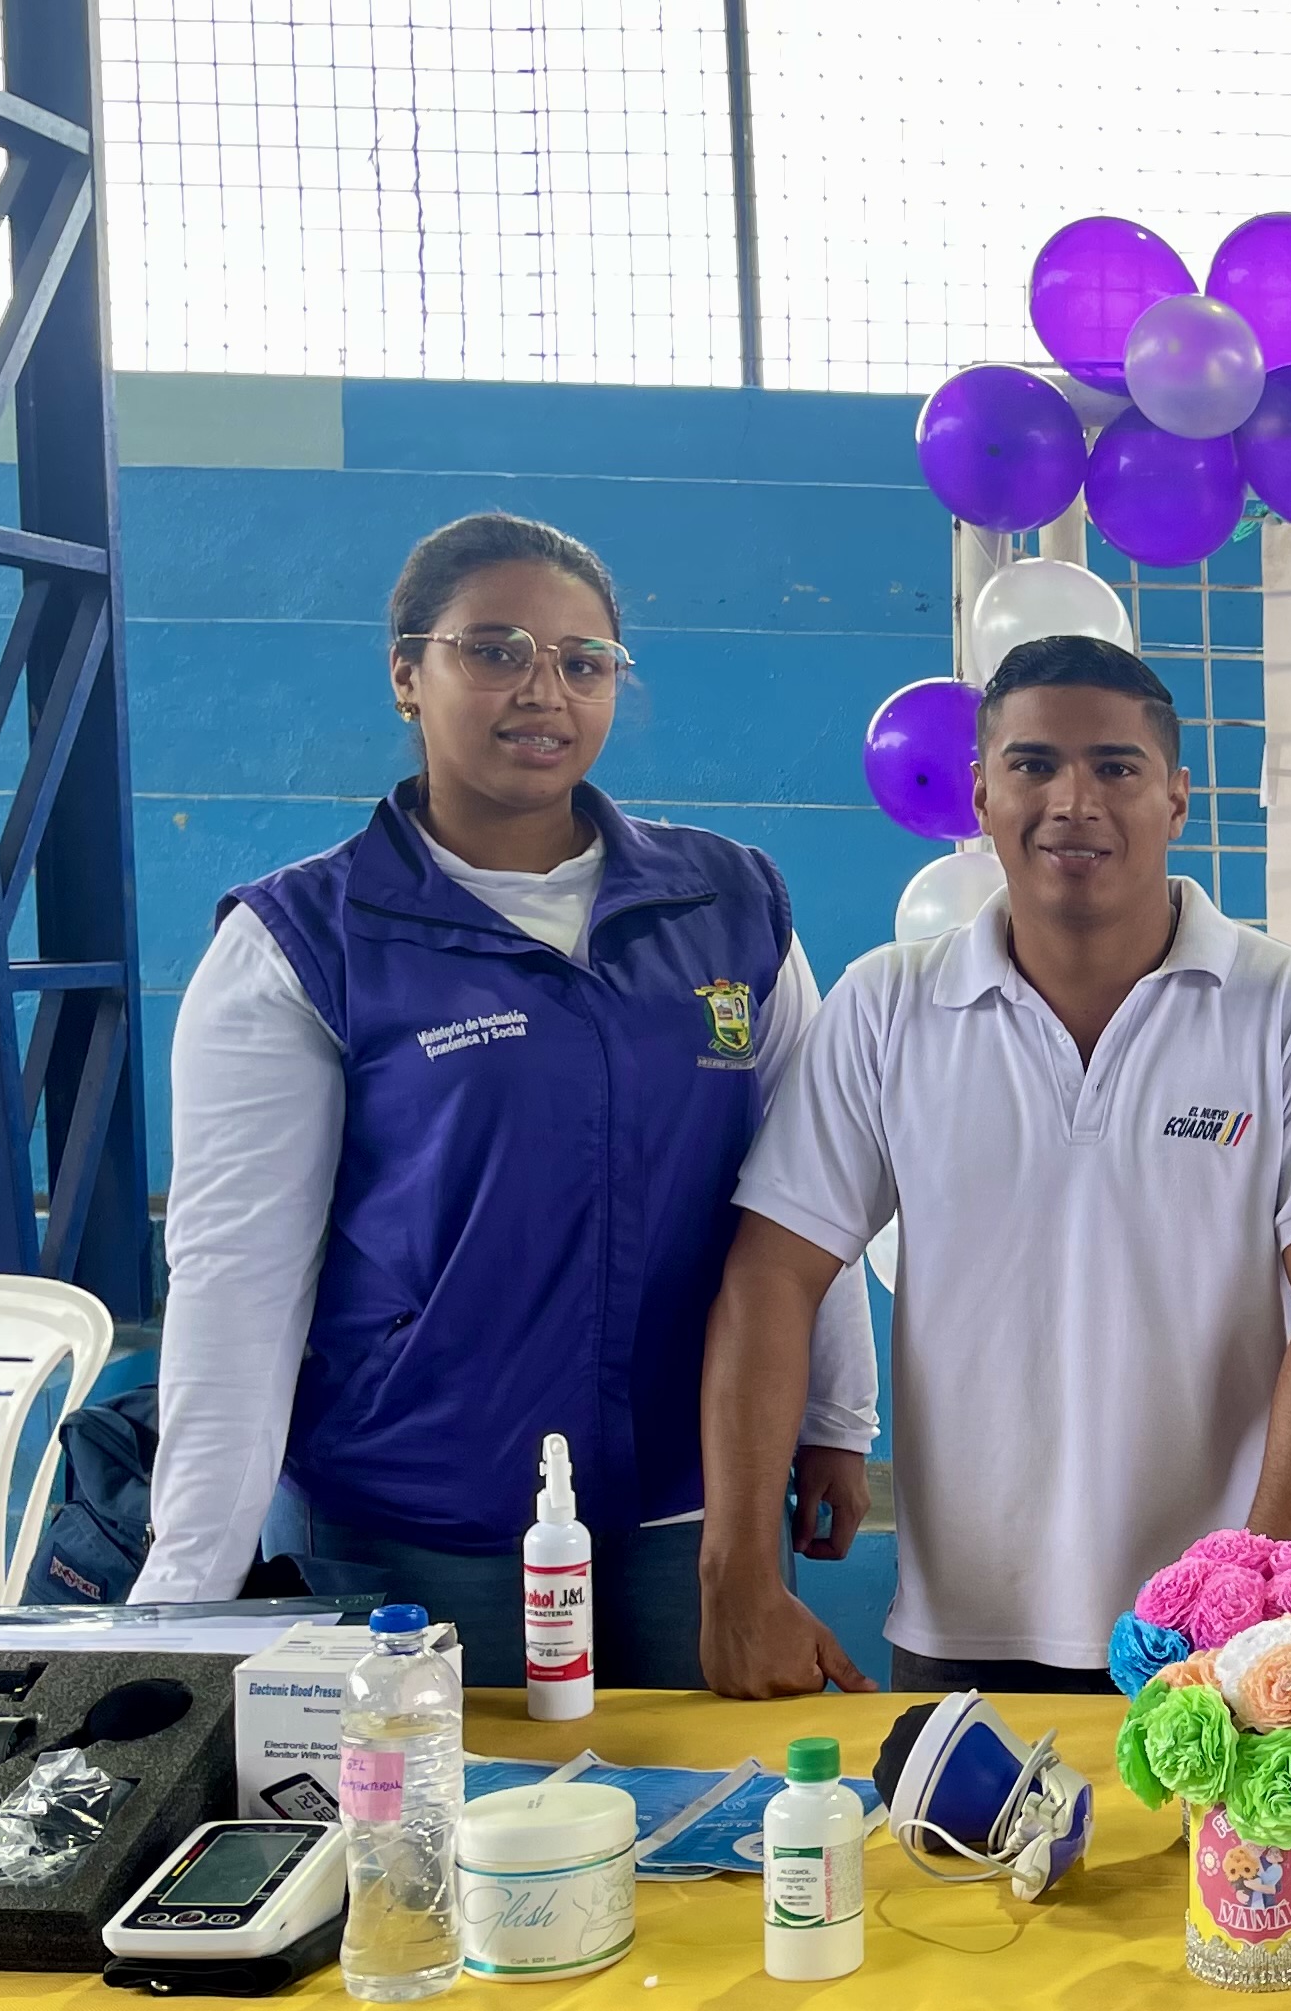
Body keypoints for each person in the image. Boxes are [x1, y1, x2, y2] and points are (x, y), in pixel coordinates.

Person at [133, 512, 876, 1685]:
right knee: (432, 1805)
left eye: (584, 662)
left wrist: (834, 1418)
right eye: (494, 650)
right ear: (406, 674)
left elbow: (806, 1193)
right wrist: (185, 1595)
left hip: (688, 1509)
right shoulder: (305, 944)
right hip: (417, 1526)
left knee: (705, 1803)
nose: (544, 690)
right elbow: (237, 1281)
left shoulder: (729, 906)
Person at [698, 634, 1291, 1697]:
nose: (1075, 801)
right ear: (982, 795)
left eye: (1116, 766)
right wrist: (739, 1569)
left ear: (1176, 798)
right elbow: (771, 1278)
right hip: (960, 1626)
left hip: (1210, 1639)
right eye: (1034, 765)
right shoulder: (887, 1006)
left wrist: (1253, 1585)